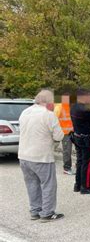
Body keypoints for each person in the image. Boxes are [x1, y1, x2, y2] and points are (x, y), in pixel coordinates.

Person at [18, 89, 64, 222]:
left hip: (24, 155)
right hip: (41, 156)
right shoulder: (48, 115)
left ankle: (35, 211)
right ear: (48, 102)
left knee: (31, 184)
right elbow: (59, 135)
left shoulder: (24, 112)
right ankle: (47, 213)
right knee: (48, 184)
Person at [70, 88, 90, 194]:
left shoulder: (73, 107)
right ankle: (85, 187)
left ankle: (77, 185)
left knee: (80, 161)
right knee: (87, 164)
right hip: (87, 138)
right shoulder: (88, 109)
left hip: (77, 136)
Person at [54, 93, 75, 175]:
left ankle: (78, 165)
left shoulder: (72, 107)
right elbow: (54, 120)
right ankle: (67, 168)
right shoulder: (59, 107)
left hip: (73, 132)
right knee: (67, 150)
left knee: (78, 149)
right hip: (65, 133)